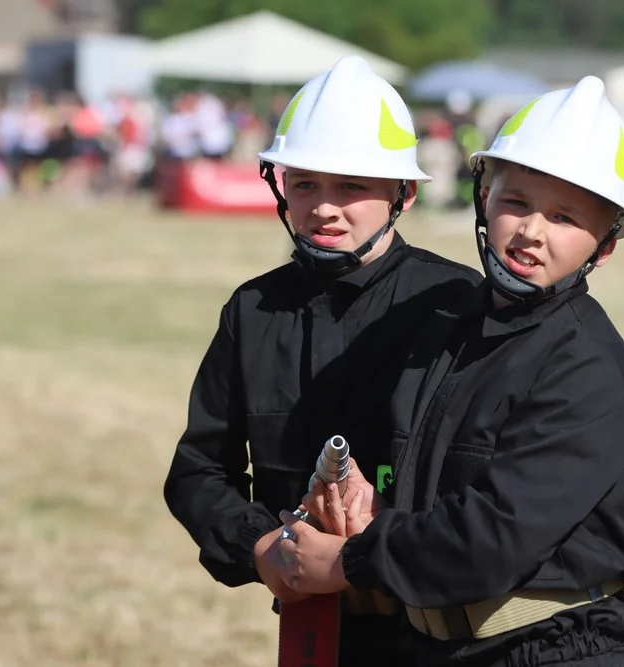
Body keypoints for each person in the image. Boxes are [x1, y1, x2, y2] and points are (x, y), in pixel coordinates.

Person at [276, 76, 624, 667]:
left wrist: (348, 563)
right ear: (484, 197)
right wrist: (371, 501)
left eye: (564, 217)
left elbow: (495, 536)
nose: (531, 231)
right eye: (517, 202)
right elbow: (422, 474)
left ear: (604, 246)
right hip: (442, 647)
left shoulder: (584, 363)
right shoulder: (448, 330)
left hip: (552, 652)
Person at [162, 56, 481, 667]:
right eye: (306, 184)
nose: (325, 208)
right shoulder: (254, 309)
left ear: (403, 194)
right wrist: (259, 549)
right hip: (314, 630)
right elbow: (199, 470)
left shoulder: (460, 307)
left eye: (351, 186)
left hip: (442, 636)